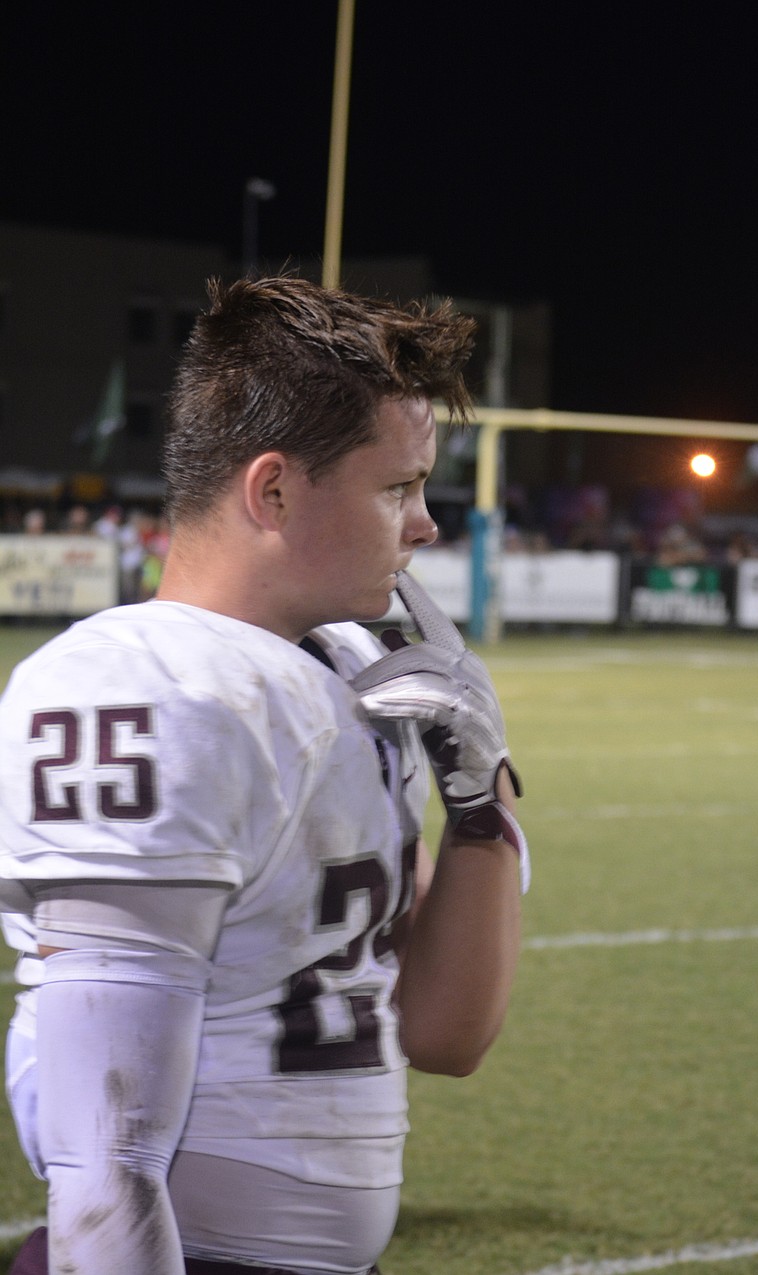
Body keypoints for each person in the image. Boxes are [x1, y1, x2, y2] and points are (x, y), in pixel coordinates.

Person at [0, 274, 528, 1275]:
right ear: (273, 490)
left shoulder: (344, 670)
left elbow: (448, 1032)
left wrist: (478, 808)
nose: (423, 526)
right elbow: (105, 1157)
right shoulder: (145, 683)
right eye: (397, 487)